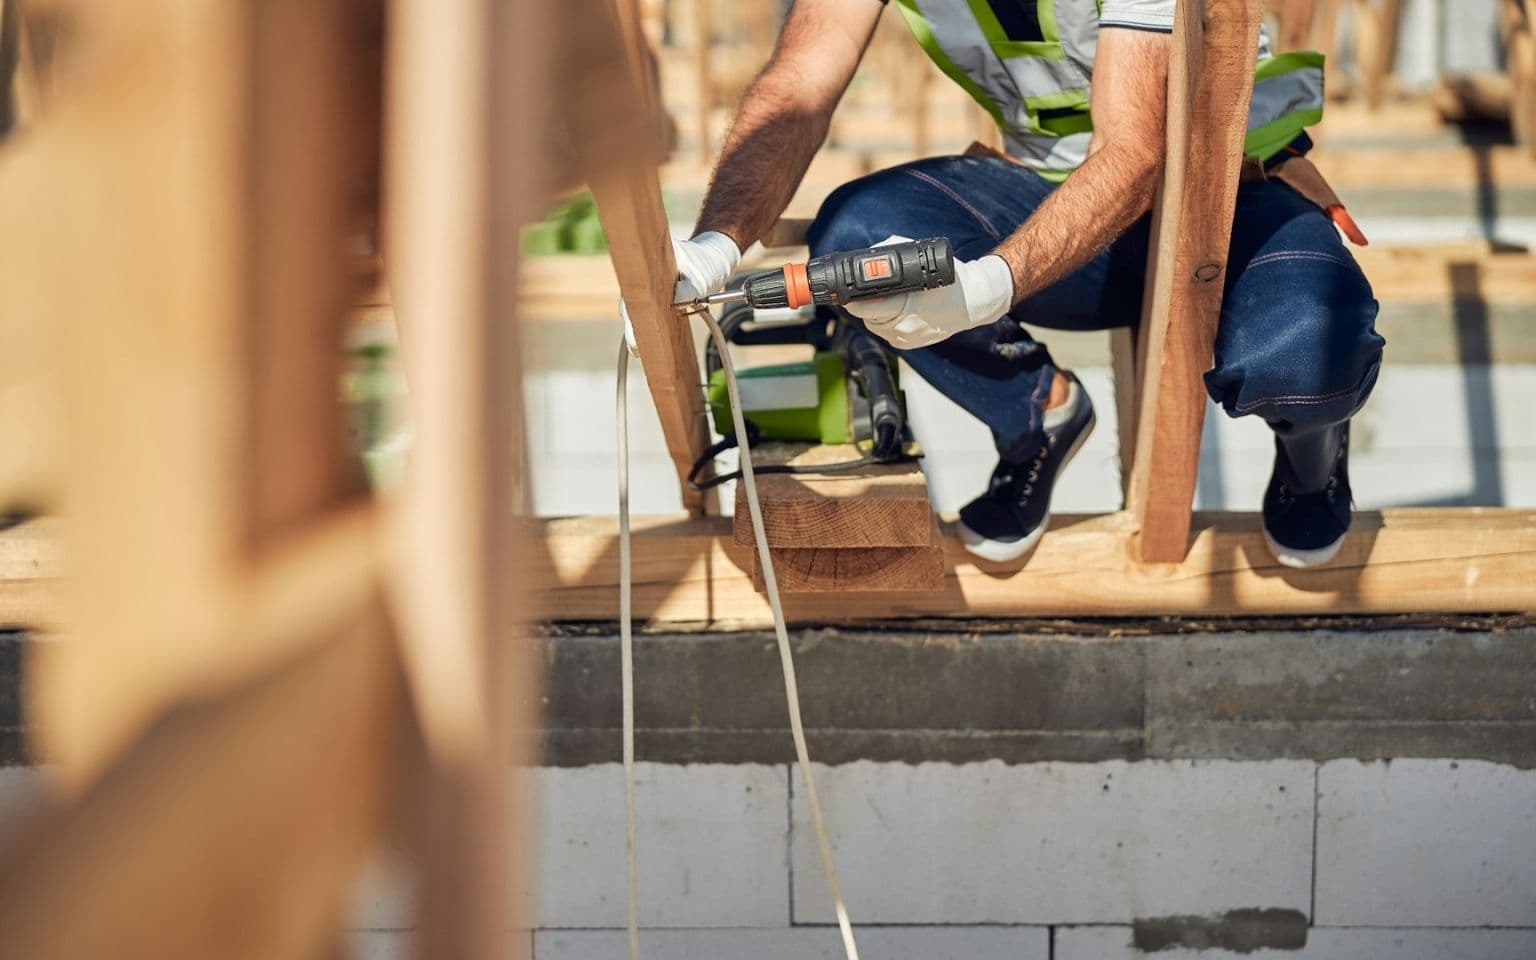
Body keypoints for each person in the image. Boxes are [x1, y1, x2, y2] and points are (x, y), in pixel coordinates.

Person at [661, 0, 1384, 568]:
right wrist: (716, 245)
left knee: (1306, 353)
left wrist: (989, 287)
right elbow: (797, 87)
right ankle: (1038, 411)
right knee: (861, 239)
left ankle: (1311, 459)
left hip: (1228, 194)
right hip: (1053, 196)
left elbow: (1135, 152)